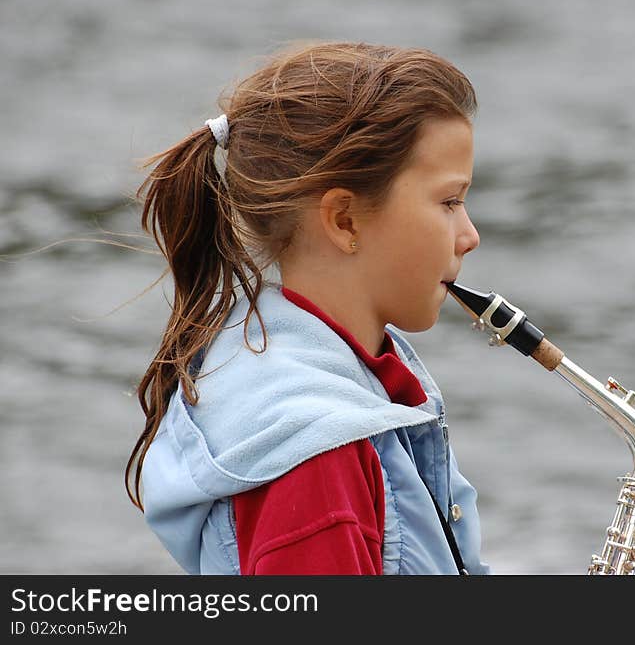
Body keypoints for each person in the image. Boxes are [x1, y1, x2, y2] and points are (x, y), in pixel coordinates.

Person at [125, 41, 490, 575]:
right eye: (450, 202)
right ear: (344, 221)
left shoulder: (320, 374)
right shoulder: (318, 461)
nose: (470, 236)